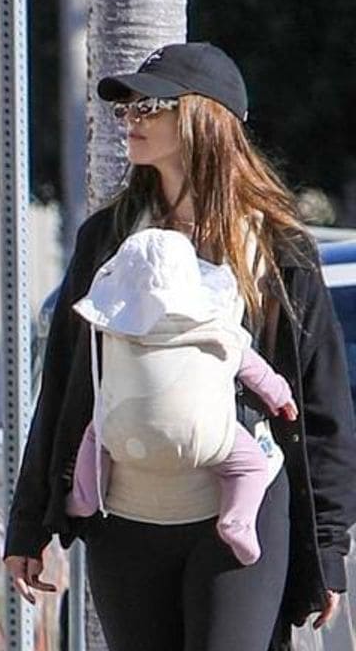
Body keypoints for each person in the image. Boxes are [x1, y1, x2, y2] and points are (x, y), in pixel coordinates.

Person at [4, 42, 356, 651]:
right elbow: (64, 391)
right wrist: (32, 526)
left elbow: (320, 410)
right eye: (125, 105)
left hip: (245, 511)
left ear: (206, 117)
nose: (132, 117)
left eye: (150, 104)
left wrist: (324, 554)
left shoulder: (276, 249)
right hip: (125, 514)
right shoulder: (105, 237)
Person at [66, 226, 298, 565]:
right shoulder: (214, 323)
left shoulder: (114, 328)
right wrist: (281, 396)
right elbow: (253, 368)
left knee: (94, 434)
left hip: (123, 435)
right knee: (251, 465)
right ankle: (238, 520)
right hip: (204, 435)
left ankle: (84, 497)